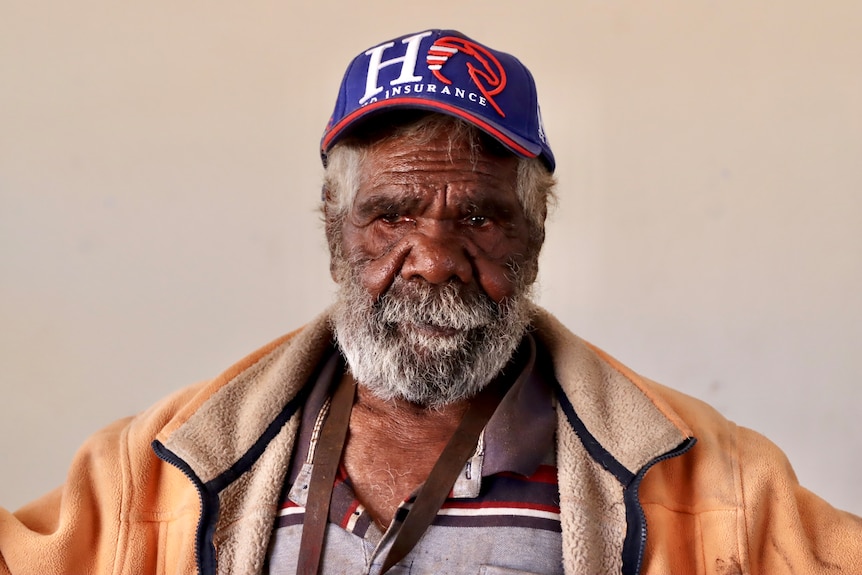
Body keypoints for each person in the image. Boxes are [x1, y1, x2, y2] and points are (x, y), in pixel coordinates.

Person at [1, 28, 860, 575]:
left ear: (535, 235)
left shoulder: (710, 483)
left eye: (480, 216)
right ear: (337, 233)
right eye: (393, 215)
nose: (434, 261)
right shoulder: (155, 470)